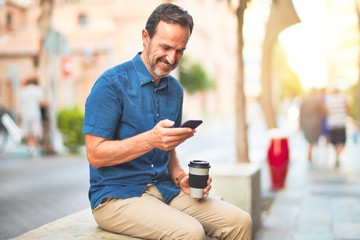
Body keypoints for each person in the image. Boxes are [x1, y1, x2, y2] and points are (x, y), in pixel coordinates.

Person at [82, 3, 252, 240]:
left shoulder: (175, 90)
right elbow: (95, 154)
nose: (172, 58)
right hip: (115, 196)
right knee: (190, 233)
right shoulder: (110, 84)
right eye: (165, 47)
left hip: (164, 188)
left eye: (180, 50)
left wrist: (181, 177)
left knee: (240, 221)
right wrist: (150, 139)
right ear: (145, 37)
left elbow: (168, 150)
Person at [19, 76, 45, 156]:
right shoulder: (37, 90)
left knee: (27, 131)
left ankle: (29, 147)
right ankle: (33, 147)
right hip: (35, 113)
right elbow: (42, 102)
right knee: (35, 130)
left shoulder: (23, 90)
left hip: (25, 114)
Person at [324, 87, 350, 167]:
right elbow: (347, 109)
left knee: (334, 142)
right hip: (341, 123)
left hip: (331, 124)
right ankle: (337, 155)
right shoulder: (342, 98)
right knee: (343, 142)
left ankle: (336, 155)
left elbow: (326, 112)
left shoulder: (328, 100)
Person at [299, 88, 326, 161]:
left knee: (310, 139)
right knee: (312, 139)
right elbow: (323, 110)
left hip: (306, 123)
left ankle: (310, 152)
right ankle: (310, 152)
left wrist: (300, 124)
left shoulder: (304, 101)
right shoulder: (317, 101)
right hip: (315, 123)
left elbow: (300, 113)